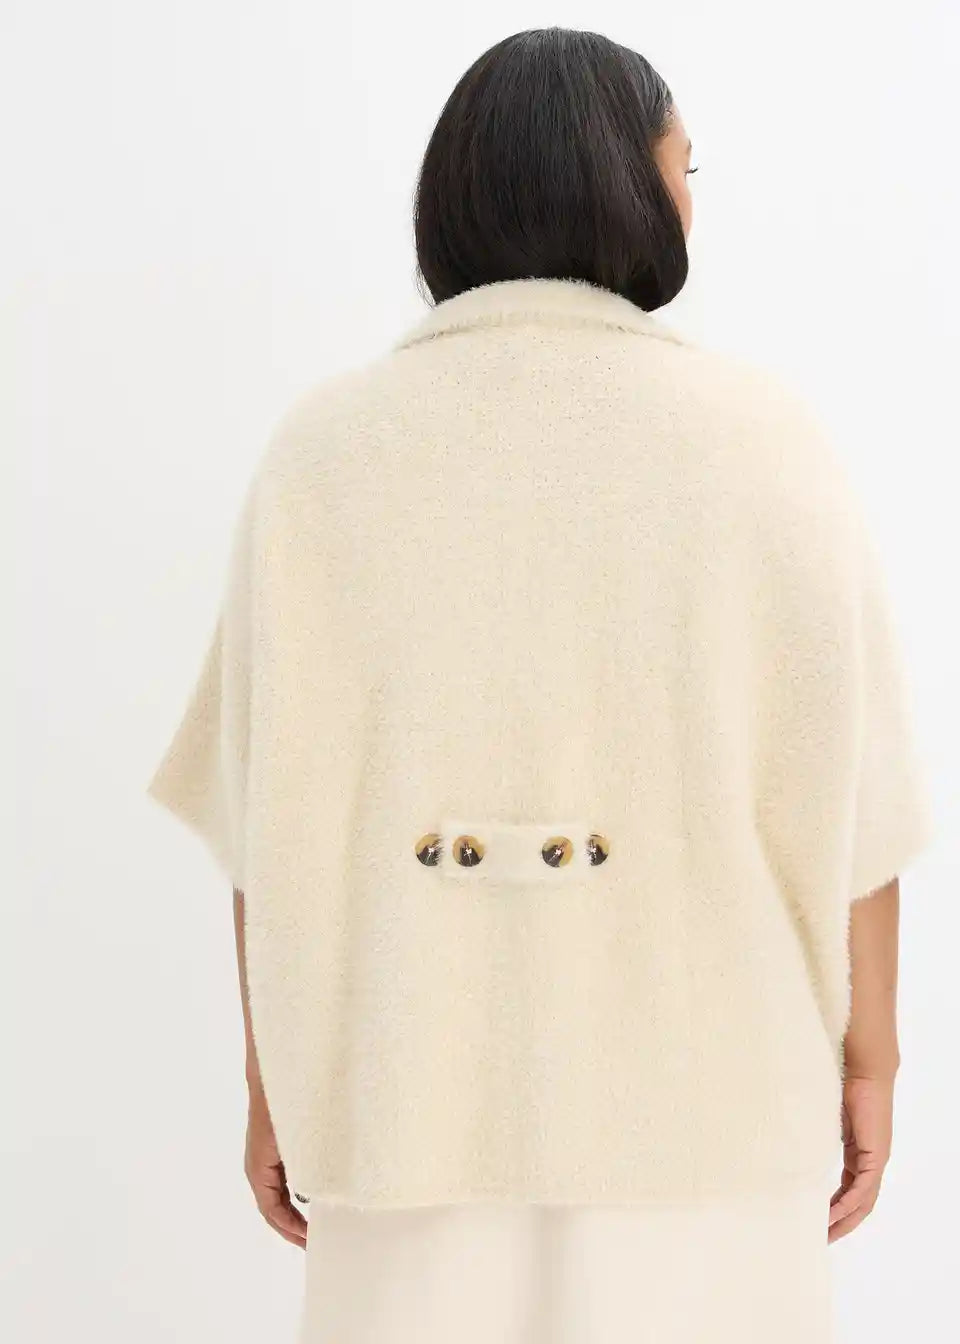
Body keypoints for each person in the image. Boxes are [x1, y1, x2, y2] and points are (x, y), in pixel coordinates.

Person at [146, 26, 931, 1344]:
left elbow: (264, 813)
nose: (692, 194)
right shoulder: (764, 443)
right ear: (635, 183)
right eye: (687, 165)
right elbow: (854, 804)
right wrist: (873, 1061)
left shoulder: (323, 455)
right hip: (712, 1108)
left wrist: (274, 1077)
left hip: (403, 1106)